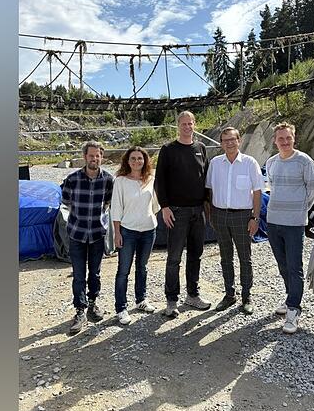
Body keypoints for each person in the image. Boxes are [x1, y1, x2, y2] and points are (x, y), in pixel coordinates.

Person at [154, 110, 212, 317]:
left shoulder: (201, 148)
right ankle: (171, 300)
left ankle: (193, 295)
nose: (188, 127)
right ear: (178, 125)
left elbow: (205, 179)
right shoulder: (168, 149)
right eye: (184, 124)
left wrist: (207, 205)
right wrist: (165, 207)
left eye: (191, 123)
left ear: (195, 124)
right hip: (176, 212)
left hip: (198, 211)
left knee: (196, 255)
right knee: (174, 258)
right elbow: (159, 180)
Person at [265, 122, 314, 333]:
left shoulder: (304, 161)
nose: (285, 142)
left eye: (288, 138)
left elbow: (313, 190)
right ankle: (290, 299)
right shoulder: (271, 162)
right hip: (273, 221)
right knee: (283, 265)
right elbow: (271, 186)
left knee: (295, 267)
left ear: (294, 138)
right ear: (275, 140)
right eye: (281, 138)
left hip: (294, 223)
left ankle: (294, 309)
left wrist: (299, 211)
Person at [206, 127, 263, 314]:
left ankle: (247, 296)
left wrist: (255, 217)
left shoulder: (249, 163)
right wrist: (211, 215)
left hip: (242, 215)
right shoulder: (215, 163)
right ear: (221, 143)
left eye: (232, 139)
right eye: (225, 140)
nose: (229, 143)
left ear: (239, 140)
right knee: (225, 257)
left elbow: (257, 192)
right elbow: (209, 190)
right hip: (220, 214)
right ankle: (229, 295)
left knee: (245, 258)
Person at [61, 141, 114, 334]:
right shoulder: (72, 179)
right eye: (91, 155)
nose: (94, 159)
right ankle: (80, 311)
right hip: (77, 234)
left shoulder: (108, 180)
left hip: (97, 235)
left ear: (102, 157)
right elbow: (66, 203)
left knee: (95, 273)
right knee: (78, 274)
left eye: (98, 155)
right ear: (85, 157)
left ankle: (92, 303)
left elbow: (108, 203)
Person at [110, 146, 160, 325]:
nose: (137, 161)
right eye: (133, 158)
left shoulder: (151, 180)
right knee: (123, 270)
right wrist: (117, 232)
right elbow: (115, 208)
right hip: (127, 231)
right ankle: (121, 308)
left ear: (145, 160)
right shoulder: (121, 181)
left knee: (143, 267)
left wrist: (149, 219)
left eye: (140, 158)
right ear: (127, 161)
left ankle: (141, 300)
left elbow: (155, 205)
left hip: (148, 231)